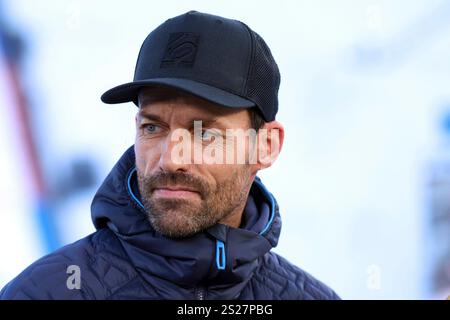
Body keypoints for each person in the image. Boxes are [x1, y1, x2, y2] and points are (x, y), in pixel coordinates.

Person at [0, 10, 340, 300]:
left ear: (266, 146)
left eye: (204, 133)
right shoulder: (45, 292)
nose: (170, 159)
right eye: (153, 128)